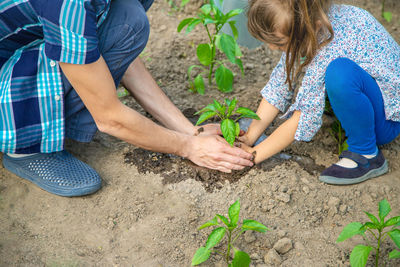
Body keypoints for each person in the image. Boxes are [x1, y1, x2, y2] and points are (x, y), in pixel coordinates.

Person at [0, 0, 254, 197]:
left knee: (127, 17)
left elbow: (120, 41)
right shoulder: (69, 5)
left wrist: (191, 132)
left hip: (19, 46)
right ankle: (26, 146)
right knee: (126, 21)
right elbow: (110, 118)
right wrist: (188, 147)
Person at [240, 0, 400, 185]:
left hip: (388, 120)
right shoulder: (309, 22)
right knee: (336, 77)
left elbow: (304, 116)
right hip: (374, 96)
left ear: (311, 27)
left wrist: (253, 156)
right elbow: (279, 86)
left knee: (339, 74)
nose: (272, 48)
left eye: (279, 43)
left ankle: (366, 154)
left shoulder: (330, 45)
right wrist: (249, 137)